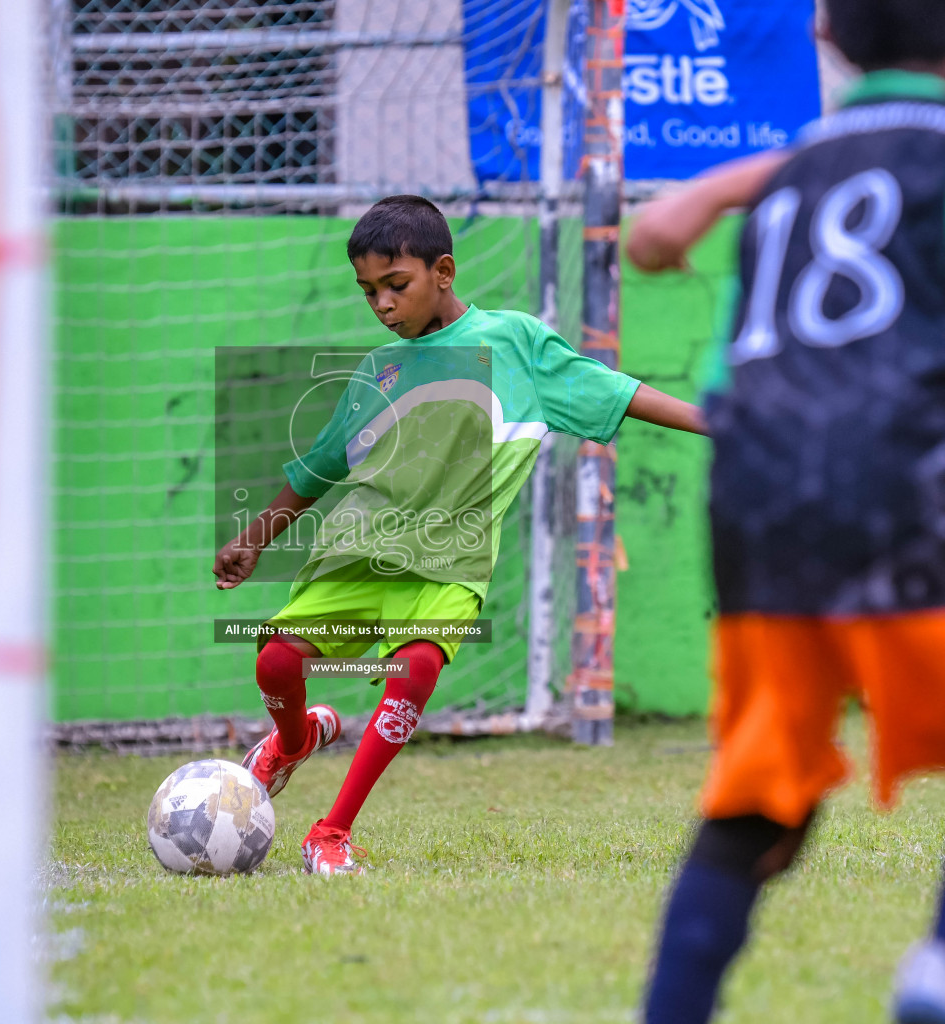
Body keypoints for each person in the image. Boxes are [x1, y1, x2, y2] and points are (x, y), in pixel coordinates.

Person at [634, 2, 945, 1022]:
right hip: (907, 490)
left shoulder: (797, 167)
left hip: (756, 507)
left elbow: (736, 377)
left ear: (825, 31)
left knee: (758, 801)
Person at [212, 194, 706, 876]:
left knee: (413, 668)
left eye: (396, 285)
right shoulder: (377, 371)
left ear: (443, 271)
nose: (382, 304)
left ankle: (331, 830)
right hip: (358, 549)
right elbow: (319, 467)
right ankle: (293, 741)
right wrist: (257, 535)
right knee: (275, 662)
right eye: (368, 292)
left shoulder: (514, 345)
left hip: (451, 560)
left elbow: (615, 391)